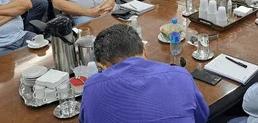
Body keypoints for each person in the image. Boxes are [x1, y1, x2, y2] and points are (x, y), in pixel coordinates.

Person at [79, 24, 209, 123]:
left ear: (102, 66)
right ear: (144, 49)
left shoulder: (91, 88)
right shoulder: (180, 76)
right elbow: (202, 117)